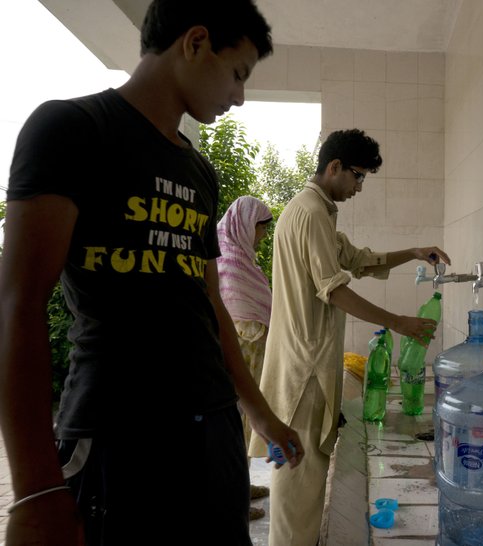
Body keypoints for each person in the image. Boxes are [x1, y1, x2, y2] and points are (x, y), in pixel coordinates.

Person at [0, 1, 304, 545]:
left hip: (211, 431)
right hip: (117, 435)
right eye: (238, 73)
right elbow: (17, 306)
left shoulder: (200, 171)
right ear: (195, 42)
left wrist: (259, 415)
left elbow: (209, 305)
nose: (239, 95)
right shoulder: (72, 130)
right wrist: (36, 490)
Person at [249, 128, 450, 545]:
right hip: (304, 371)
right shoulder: (310, 213)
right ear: (334, 166)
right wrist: (399, 322)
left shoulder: (317, 212)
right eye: (357, 176)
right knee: (298, 490)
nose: (359, 187)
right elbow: (335, 290)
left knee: (304, 486)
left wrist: (413, 252)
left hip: (306, 365)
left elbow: (358, 260)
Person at [216, 195, 274, 520]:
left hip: (251, 352)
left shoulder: (242, 258)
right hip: (238, 354)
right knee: (235, 424)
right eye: (261, 229)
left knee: (247, 424)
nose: (262, 236)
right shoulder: (227, 260)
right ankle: (232, 502)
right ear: (246, 225)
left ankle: (242, 485)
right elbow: (235, 313)